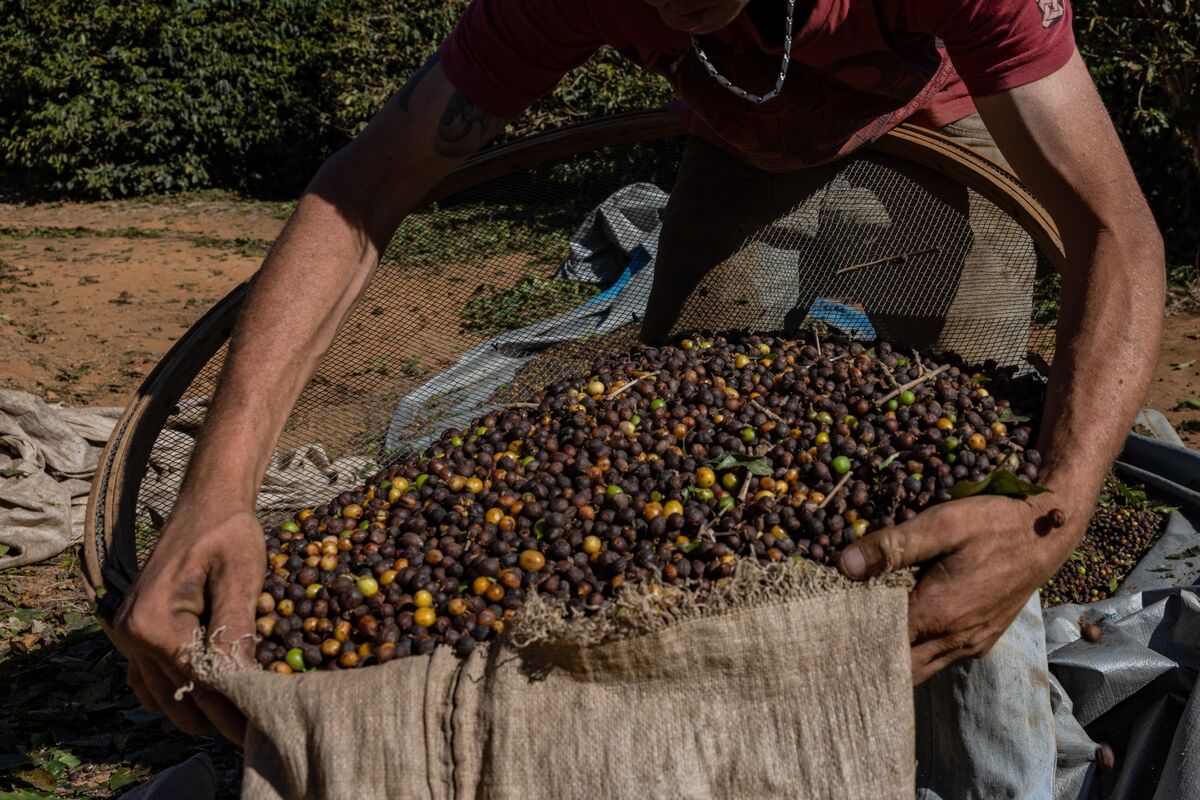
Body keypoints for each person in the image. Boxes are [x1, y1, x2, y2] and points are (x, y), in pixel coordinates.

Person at [110, 0, 1165, 796]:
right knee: (686, 492)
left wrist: (1048, 514)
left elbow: (1117, 229)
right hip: (743, 149)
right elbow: (364, 186)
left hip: (956, 132)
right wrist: (219, 486)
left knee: (961, 516)